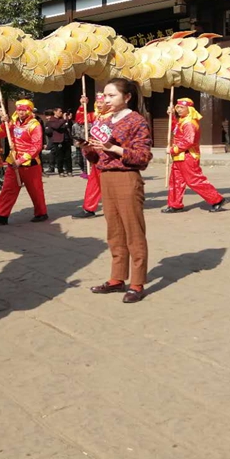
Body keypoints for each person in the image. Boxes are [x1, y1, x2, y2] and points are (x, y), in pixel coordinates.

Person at [78, 79, 153, 303]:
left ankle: (137, 283)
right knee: (114, 231)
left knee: (133, 231)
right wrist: (87, 149)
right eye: (105, 96)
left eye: (112, 96)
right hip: (106, 178)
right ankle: (117, 278)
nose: (106, 100)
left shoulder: (137, 121)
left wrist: (114, 148)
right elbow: (97, 157)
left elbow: (143, 156)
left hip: (127, 177)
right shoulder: (105, 121)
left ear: (127, 97)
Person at [0, 99, 48, 225]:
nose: (21, 112)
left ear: (29, 111)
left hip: (29, 163)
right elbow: (1, 134)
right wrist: (3, 123)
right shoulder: (13, 122)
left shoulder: (34, 124)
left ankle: (41, 213)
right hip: (13, 160)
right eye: (19, 109)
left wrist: (21, 160)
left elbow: (36, 146)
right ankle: (2, 214)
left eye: (24, 110)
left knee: (35, 190)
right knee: (8, 188)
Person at [162, 98, 225, 213]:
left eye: (182, 108)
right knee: (176, 181)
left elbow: (188, 141)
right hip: (179, 156)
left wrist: (173, 149)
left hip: (188, 156)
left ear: (189, 109)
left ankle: (216, 199)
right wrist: (171, 116)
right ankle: (175, 204)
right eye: (177, 108)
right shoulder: (183, 120)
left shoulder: (189, 123)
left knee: (194, 180)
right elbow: (176, 130)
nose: (179, 110)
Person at [45, 108, 73, 176]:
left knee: (68, 156)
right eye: (59, 111)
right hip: (58, 140)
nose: (61, 113)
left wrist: (68, 120)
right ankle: (60, 171)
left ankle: (69, 170)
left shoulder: (62, 120)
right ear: (55, 112)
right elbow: (56, 126)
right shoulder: (51, 120)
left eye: (61, 111)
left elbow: (68, 126)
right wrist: (64, 119)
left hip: (66, 140)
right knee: (59, 157)